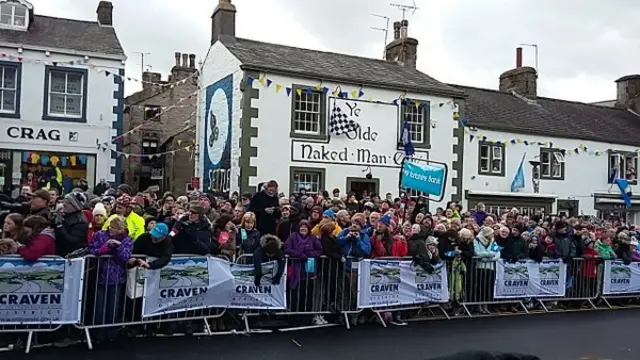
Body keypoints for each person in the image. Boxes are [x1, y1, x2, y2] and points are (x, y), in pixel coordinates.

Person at [89, 216, 133, 343]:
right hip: (99, 275)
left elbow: (126, 256)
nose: (111, 229)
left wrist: (118, 246)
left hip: (117, 277)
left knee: (112, 307)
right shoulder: (100, 235)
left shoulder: (127, 239)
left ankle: (111, 333)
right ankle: (98, 333)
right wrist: (104, 249)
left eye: (115, 228)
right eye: (110, 226)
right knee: (99, 307)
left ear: (122, 229)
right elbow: (92, 250)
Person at [284, 220, 324, 324]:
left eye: (305, 227)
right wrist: (299, 254)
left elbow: (320, 250)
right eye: (301, 227)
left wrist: (310, 254)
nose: (303, 229)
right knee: (295, 294)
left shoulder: (312, 238)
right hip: (296, 270)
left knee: (307, 295)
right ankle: (293, 317)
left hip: (309, 271)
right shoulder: (293, 236)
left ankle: (306, 317)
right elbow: (287, 248)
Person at [52, 192, 89, 256]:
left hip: (70, 259)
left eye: (68, 203)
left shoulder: (80, 222)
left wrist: (59, 225)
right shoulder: (65, 216)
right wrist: (52, 220)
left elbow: (71, 242)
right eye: (64, 201)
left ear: (76, 206)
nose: (63, 204)